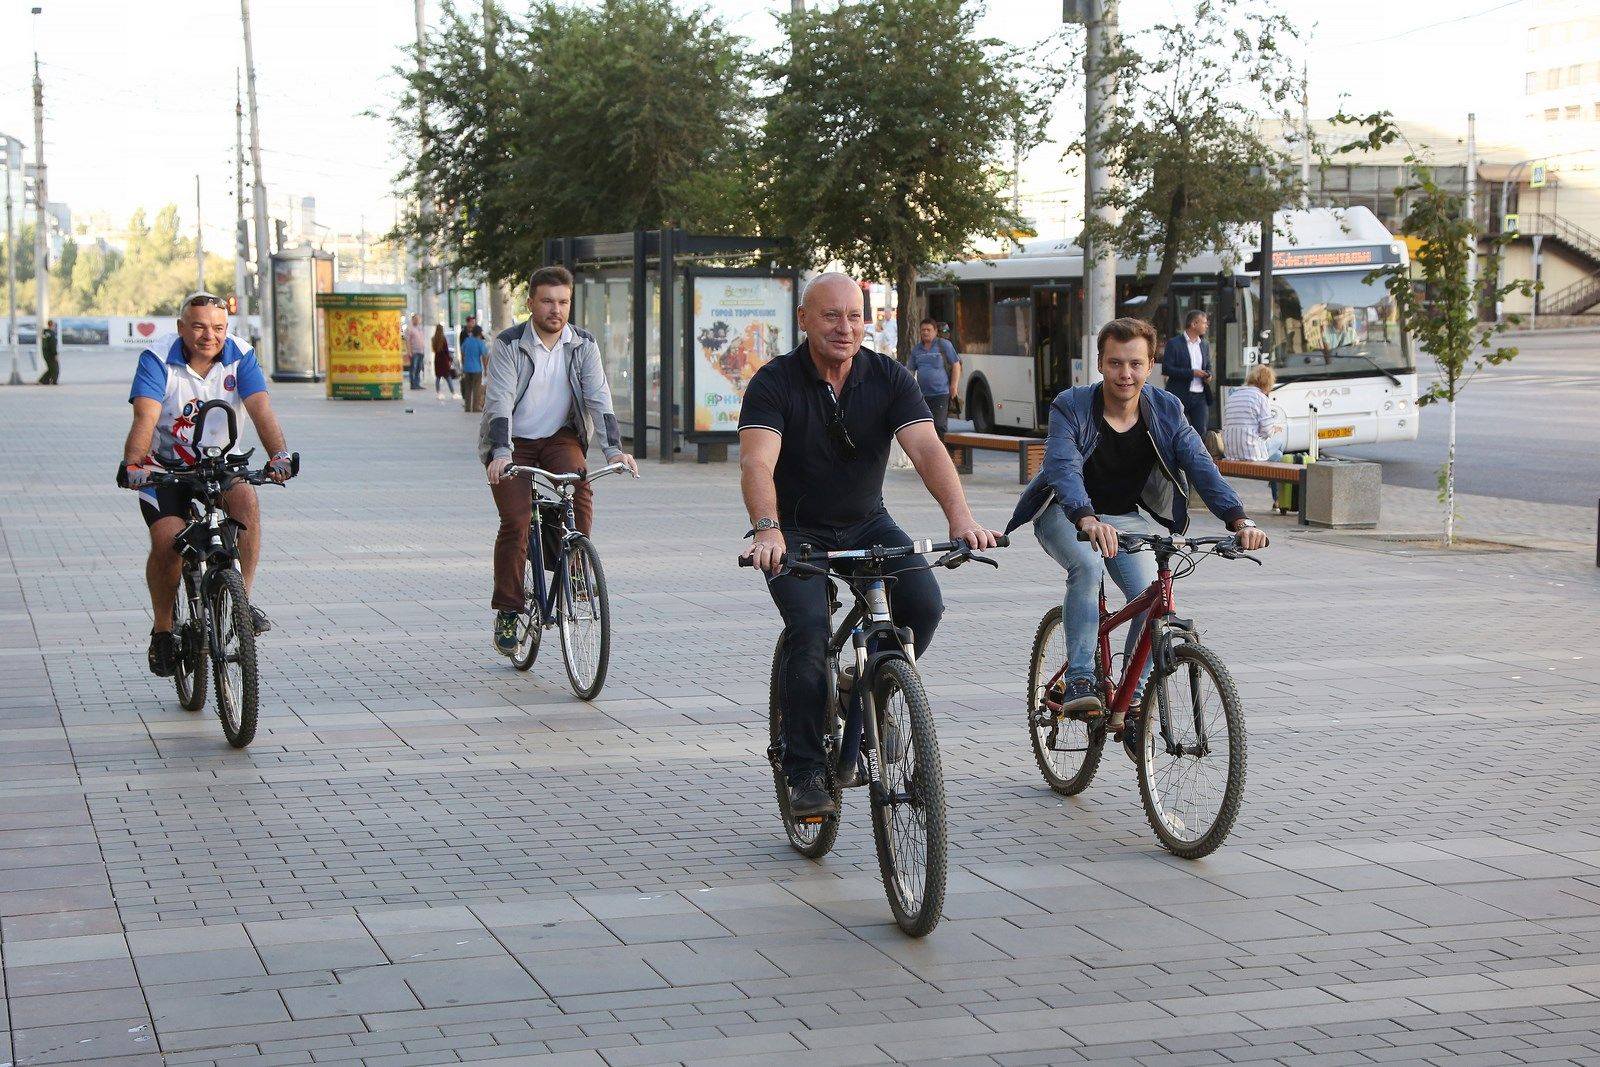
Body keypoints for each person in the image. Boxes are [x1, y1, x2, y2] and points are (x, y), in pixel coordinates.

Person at [739, 272, 999, 820]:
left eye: (855, 316)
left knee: (924, 605)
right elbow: (757, 462)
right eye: (831, 315)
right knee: (809, 631)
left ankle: (874, 687)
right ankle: (806, 766)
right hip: (796, 531)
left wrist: (962, 519)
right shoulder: (774, 382)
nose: (845, 327)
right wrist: (767, 528)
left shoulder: (889, 378)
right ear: (805, 320)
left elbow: (927, 450)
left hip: (867, 522)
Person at [1006, 317, 1267, 730]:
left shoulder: (1167, 409)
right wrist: (1086, 517)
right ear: (1100, 364)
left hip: (1123, 517)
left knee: (1153, 596)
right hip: (1064, 510)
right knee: (1087, 566)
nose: (1124, 374)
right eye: (1114, 363)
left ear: (1150, 366)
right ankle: (1079, 679)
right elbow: (1062, 468)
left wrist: (1239, 519)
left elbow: (1200, 465)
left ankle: (1130, 700)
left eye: (1134, 364)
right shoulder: (1070, 406)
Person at [121, 292, 294, 676]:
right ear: (182, 328)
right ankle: (164, 630)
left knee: (246, 502)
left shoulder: (240, 354)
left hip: (220, 462)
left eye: (217, 327)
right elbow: (144, 418)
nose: (208, 336)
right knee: (168, 542)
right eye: (198, 326)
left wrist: (279, 455)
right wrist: (134, 464)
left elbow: (261, 408)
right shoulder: (157, 358)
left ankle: (242, 605)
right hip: (163, 467)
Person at [480, 266, 637, 654]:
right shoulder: (510, 344)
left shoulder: (582, 344)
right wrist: (500, 454)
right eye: (547, 301)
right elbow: (498, 401)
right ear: (531, 302)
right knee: (516, 522)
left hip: (559, 437)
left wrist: (614, 450)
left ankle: (576, 567)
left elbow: (599, 398)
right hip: (514, 441)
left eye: (563, 302)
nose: (556, 309)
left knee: (579, 485)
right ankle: (508, 609)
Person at [906, 317, 961, 440]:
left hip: (941, 393)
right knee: (925, 426)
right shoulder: (917, 349)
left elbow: (956, 365)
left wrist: (954, 386)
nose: (925, 332)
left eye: (928, 330)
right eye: (923, 330)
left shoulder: (944, 345)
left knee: (939, 425)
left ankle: (943, 452)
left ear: (935, 331)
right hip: (922, 396)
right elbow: (910, 370)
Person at [1160, 310, 1212, 438]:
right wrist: (1192, 373)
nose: (1206, 326)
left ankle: (1197, 457)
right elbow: (1166, 369)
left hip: (1200, 396)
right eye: (1204, 323)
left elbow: (1208, 366)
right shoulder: (1174, 343)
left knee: (1201, 431)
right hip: (1180, 394)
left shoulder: (1204, 344)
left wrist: (1208, 374)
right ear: (1194, 324)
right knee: (1176, 430)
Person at [1222, 364, 1285, 463]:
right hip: (1251, 453)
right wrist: (1275, 429)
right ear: (1267, 383)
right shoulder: (1261, 398)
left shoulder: (1233, 396)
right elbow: (1266, 431)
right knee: (1280, 441)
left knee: (1277, 454)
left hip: (1231, 453)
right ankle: (1268, 475)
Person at [460, 324, 487, 413]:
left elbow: (462, 354)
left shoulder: (467, 341)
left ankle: (467, 408)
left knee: (468, 389)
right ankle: (475, 407)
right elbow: (484, 356)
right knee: (476, 389)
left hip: (467, 368)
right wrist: (486, 369)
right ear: (479, 333)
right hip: (477, 369)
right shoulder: (480, 343)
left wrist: (463, 365)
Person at [432, 324, 456, 398]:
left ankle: (438, 393)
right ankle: (453, 393)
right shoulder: (443, 339)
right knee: (448, 377)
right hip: (444, 360)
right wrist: (449, 359)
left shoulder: (433, 339)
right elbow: (446, 351)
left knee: (438, 377)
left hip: (437, 360)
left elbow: (434, 350)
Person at [405, 313, 428, 390]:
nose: (417, 320)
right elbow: (407, 341)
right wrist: (409, 351)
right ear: (412, 320)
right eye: (416, 319)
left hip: (421, 351)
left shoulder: (420, 328)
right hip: (414, 352)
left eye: (419, 319)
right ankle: (413, 384)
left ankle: (417, 383)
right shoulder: (409, 329)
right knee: (413, 368)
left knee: (419, 368)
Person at [37, 319, 59, 385]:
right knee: (55, 368)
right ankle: (53, 381)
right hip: (50, 354)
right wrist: (55, 354)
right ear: (52, 325)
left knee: (51, 368)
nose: (55, 327)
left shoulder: (45, 333)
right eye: (54, 325)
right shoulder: (51, 334)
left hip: (45, 353)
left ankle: (43, 380)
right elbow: (53, 345)